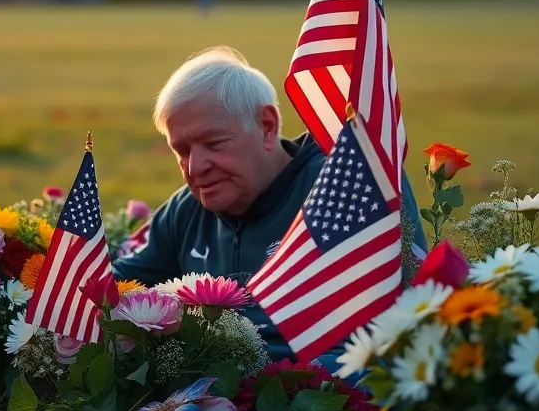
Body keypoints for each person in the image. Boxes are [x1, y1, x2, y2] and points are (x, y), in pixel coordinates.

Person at [112, 46, 427, 371]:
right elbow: (109, 287)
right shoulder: (186, 210)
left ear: (266, 126)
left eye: (215, 143)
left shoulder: (343, 186)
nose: (195, 167)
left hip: (323, 404)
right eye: (181, 151)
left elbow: (397, 324)